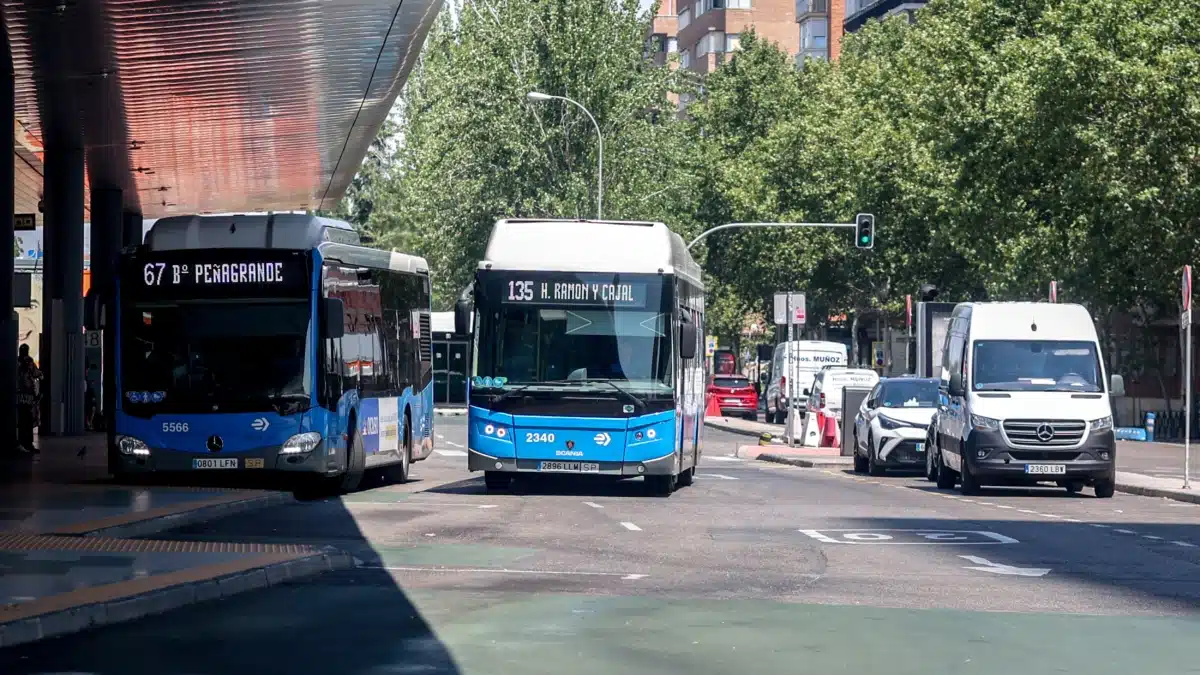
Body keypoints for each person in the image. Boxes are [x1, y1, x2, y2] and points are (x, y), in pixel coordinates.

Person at [17, 343, 42, 454]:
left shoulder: (16, 361)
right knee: (28, 420)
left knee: (21, 420)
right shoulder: (29, 361)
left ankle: (21, 443)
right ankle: (27, 443)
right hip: (28, 396)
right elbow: (37, 374)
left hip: (18, 396)